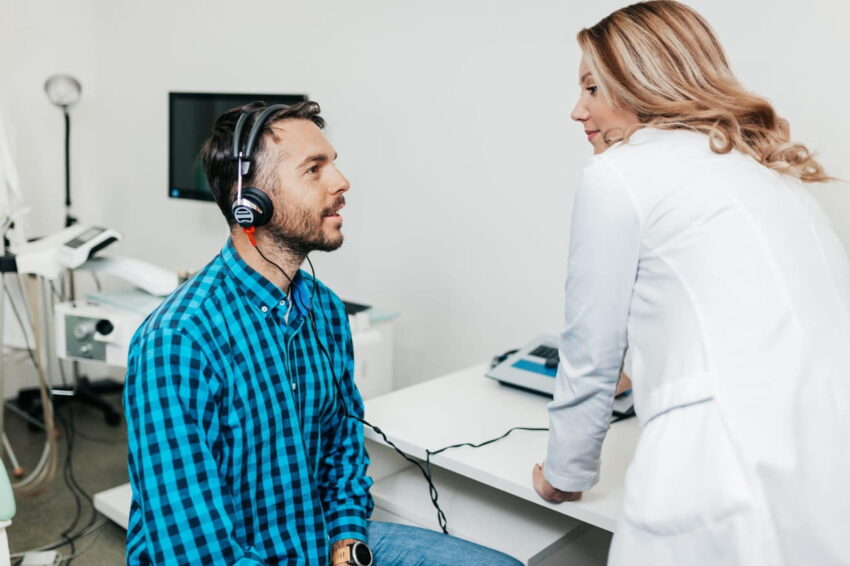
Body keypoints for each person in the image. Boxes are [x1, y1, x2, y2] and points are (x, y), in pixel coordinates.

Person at [124, 101, 521, 566]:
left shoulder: (325, 310)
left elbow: (343, 448)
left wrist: (347, 542)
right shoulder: (177, 342)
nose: (341, 182)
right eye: (314, 169)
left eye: (332, 163)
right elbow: (195, 553)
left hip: (316, 541)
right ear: (249, 201)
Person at [531, 2, 850, 565]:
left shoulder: (619, 175)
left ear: (640, 85)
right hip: (824, 468)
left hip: (721, 469)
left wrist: (564, 473)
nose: (576, 110)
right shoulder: (765, 174)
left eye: (592, 88)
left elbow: (589, 351)